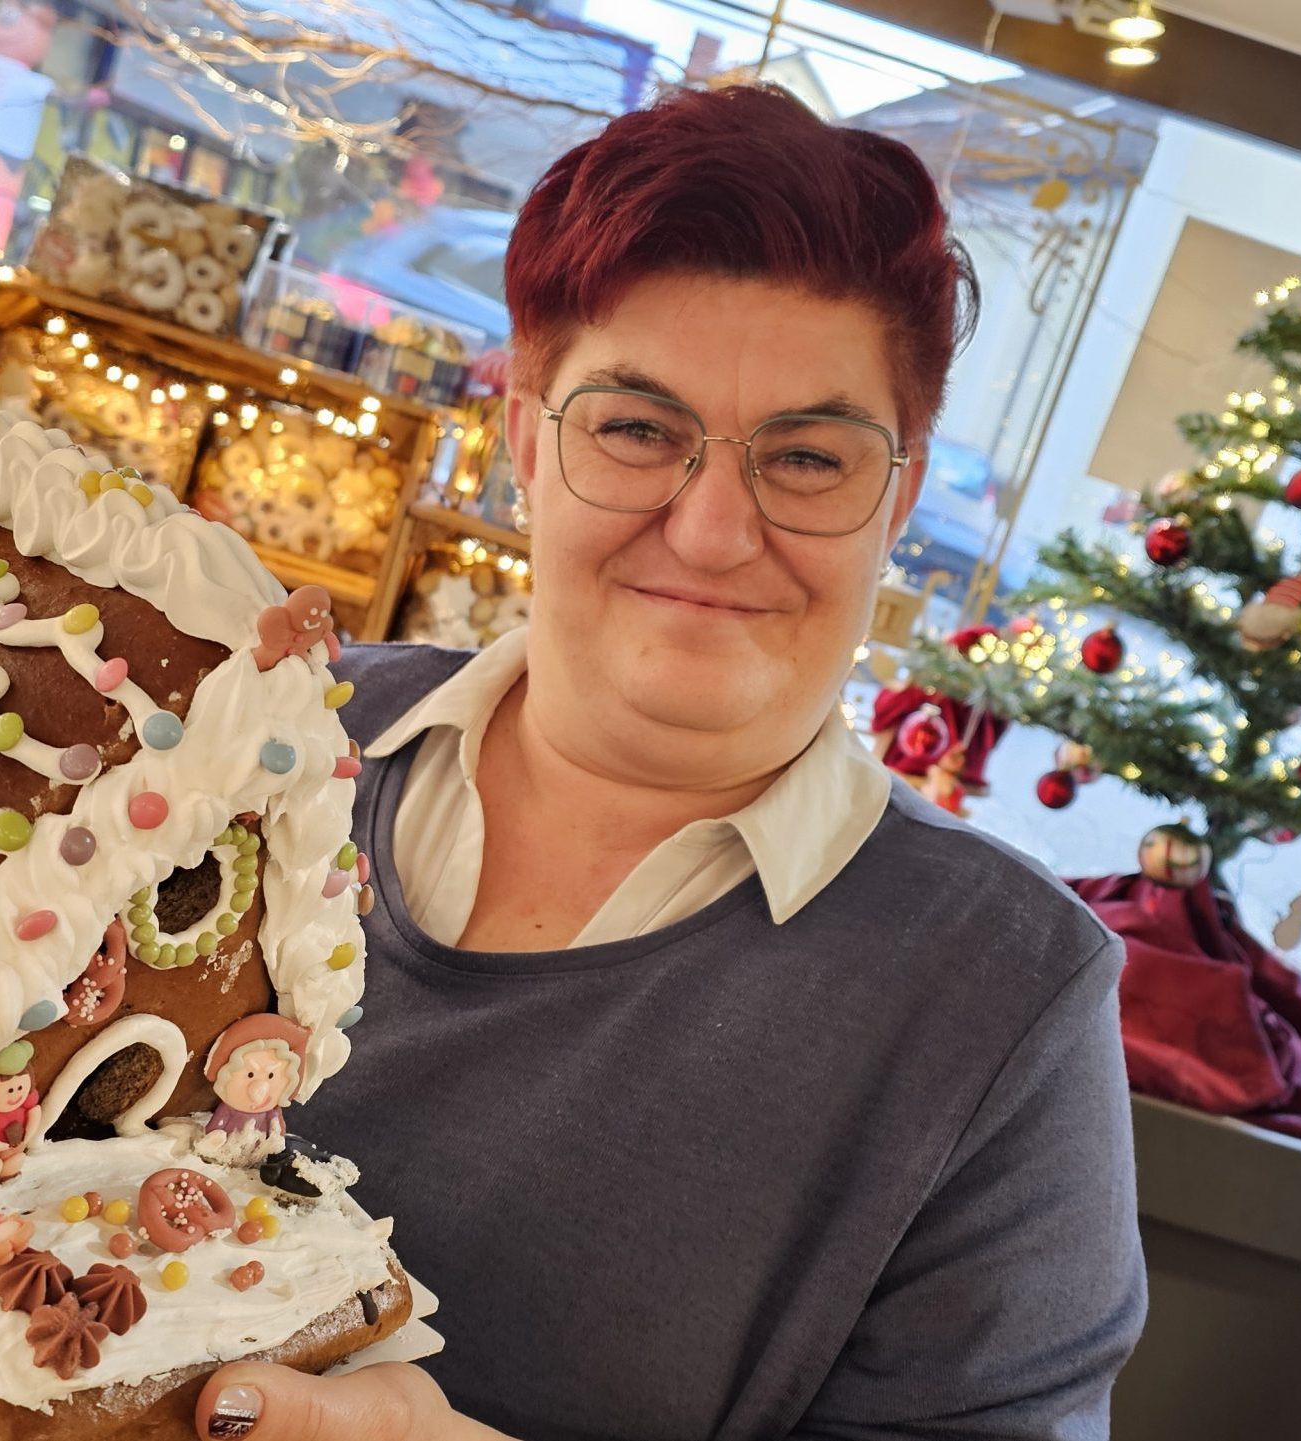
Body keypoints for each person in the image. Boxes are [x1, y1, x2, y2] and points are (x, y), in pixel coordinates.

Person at [197, 84, 1146, 1441]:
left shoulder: (1001, 1005)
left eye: (807, 457)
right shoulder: (250, 745)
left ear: (897, 495)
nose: (708, 533)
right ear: (525, 436)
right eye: (637, 429)